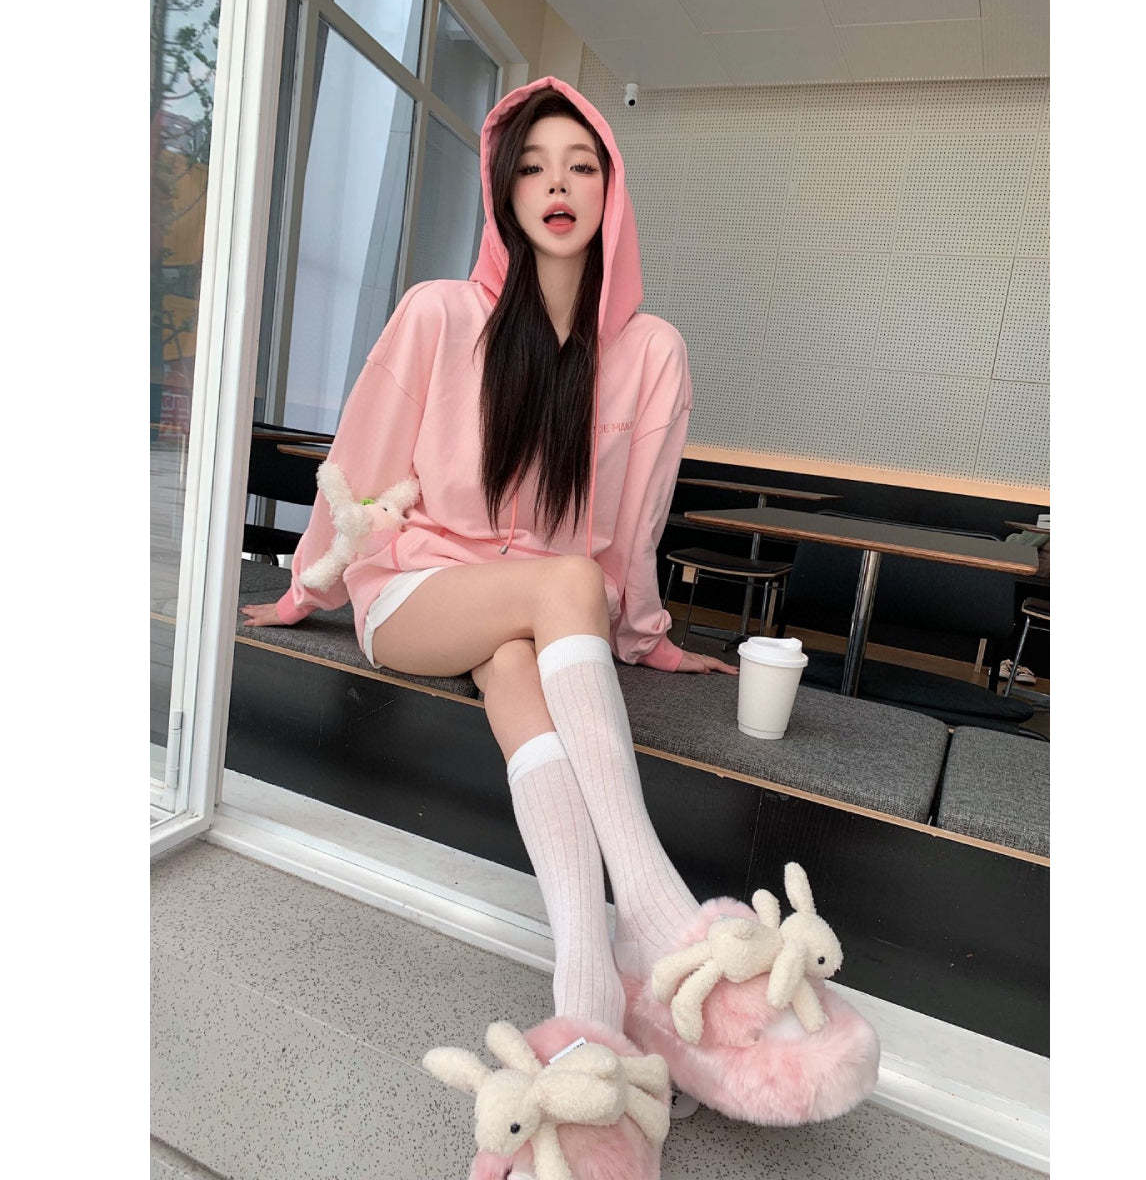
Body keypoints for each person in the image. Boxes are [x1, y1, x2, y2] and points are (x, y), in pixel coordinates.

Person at [243, 77, 877, 1179]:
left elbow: (633, 518)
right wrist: (310, 586)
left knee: (523, 650)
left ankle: (587, 996)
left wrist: (645, 630)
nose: (557, 185)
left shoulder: (649, 351)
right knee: (558, 584)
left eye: (581, 166)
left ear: (611, 192)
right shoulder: (441, 312)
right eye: (533, 166)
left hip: (525, 614)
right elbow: (361, 465)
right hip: (414, 589)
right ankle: (662, 918)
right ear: (504, 190)